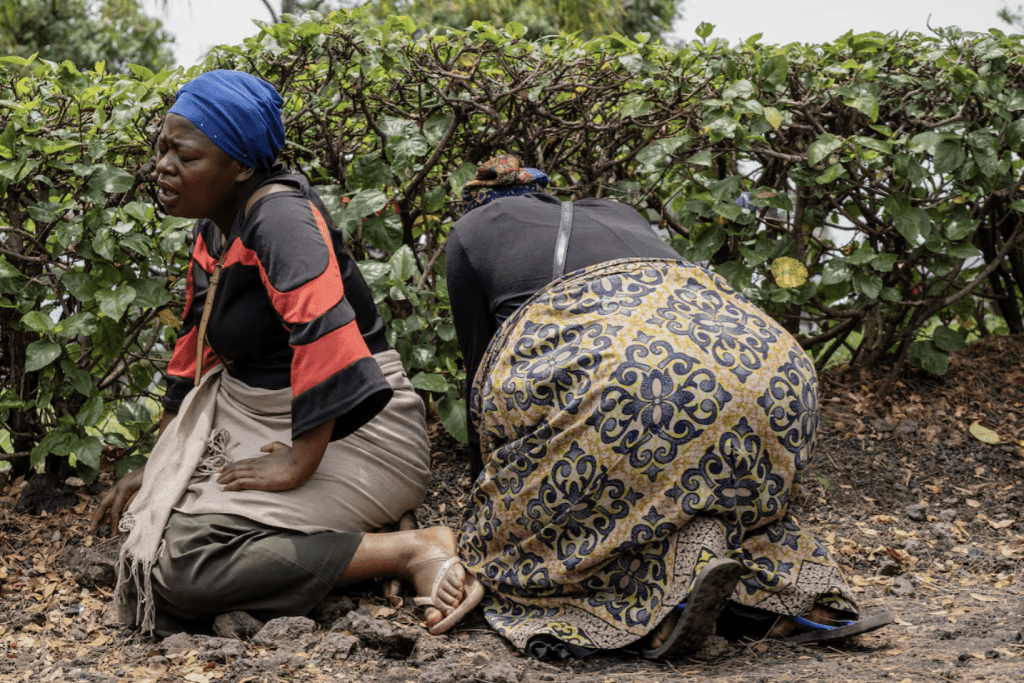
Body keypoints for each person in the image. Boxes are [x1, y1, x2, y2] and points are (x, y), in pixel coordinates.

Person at [446, 155, 891, 659]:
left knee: (511, 549)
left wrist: (493, 496)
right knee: (716, 501)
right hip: (772, 365)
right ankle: (790, 600)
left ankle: (649, 610)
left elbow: (483, 375)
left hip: (632, 375)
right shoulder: (618, 211)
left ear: (478, 199)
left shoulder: (470, 228)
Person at [88, 70, 482, 637]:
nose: (162, 166)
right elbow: (190, 352)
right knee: (147, 526)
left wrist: (299, 462)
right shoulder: (216, 228)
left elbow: (325, 336)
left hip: (351, 426)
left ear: (241, 167)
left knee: (182, 568)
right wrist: (160, 464)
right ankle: (359, 533)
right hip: (261, 415)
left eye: (185, 155)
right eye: (161, 148)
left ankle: (409, 549)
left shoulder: (280, 218)